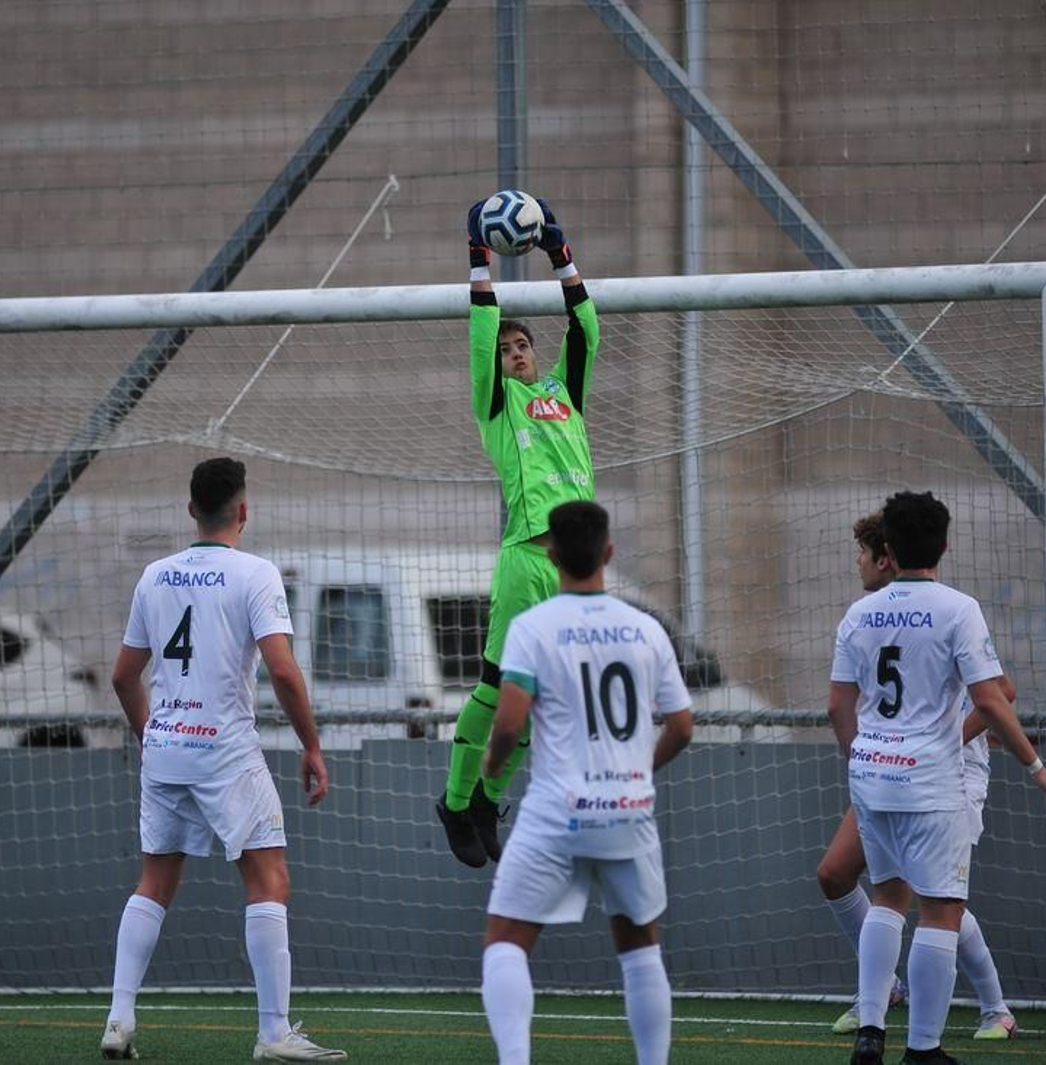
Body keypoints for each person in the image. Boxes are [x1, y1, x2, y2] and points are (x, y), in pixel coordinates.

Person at [100, 457, 345, 1062]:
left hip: (166, 748)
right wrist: (312, 746)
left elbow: (124, 676)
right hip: (225, 750)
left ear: (190, 510)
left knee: (155, 881)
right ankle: (273, 1032)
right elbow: (284, 671)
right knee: (269, 880)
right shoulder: (254, 574)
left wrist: (150, 736)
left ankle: (118, 1019)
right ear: (243, 510)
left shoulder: (154, 576)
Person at [828, 491, 1046, 1065]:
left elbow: (839, 705)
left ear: (888, 549)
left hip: (872, 775)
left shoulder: (859, 613)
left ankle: (871, 1033)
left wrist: (860, 762)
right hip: (931, 782)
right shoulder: (958, 608)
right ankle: (924, 1050)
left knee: (886, 900)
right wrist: (1036, 768)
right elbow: (992, 696)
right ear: (945, 546)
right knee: (940, 909)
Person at [478, 501, 694, 1065]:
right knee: (640, 947)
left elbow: (508, 720)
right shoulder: (646, 628)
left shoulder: (533, 627)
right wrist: (638, 771)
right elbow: (683, 725)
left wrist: (492, 766)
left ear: (551, 555)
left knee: (505, 939)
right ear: (609, 552)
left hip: (557, 812)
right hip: (627, 810)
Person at [438, 198, 602, 869]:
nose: (512, 352)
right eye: (506, 349)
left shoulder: (566, 394)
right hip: (525, 561)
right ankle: (453, 800)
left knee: (545, 697)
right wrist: (479, 259)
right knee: (495, 684)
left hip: (576, 569)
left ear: (537, 353)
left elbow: (587, 331)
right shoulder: (498, 407)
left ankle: (487, 797)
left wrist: (562, 257)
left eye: (521, 344)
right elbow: (480, 335)